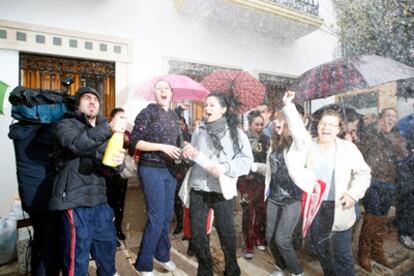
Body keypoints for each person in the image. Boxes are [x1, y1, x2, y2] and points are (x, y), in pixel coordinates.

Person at [282, 91, 371, 276]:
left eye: (332, 125)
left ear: (339, 129)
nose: (326, 128)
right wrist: (289, 107)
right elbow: (298, 132)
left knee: (342, 254)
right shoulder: (309, 145)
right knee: (320, 249)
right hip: (316, 208)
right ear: (317, 125)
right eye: (323, 123)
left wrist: (353, 194)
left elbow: (363, 173)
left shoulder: (347, 148)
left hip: (340, 207)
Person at [50, 87, 127, 276]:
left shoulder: (103, 130)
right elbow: (78, 145)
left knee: (108, 254)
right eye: (87, 98)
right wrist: (109, 128)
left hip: (100, 201)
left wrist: (118, 162)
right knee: (77, 261)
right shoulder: (65, 125)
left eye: (96, 99)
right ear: (78, 104)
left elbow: (111, 165)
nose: (93, 101)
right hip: (74, 201)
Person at [182, 92, 253, 276]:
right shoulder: (199, 130)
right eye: (206, 105)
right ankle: (205, 269)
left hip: (222, 189)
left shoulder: (236, 133)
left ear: (223, 109)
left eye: (212, 105)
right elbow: (194, 158)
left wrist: (225, 167)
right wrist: (187, 154)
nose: (207, 108)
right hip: (199, 187)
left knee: (226, 232)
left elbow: (246, 161)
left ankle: (232, 268)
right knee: (197, 234)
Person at [129, 79, 181, 276]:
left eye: (166, 88)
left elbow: (175, 142)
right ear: (154, 93)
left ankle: (163, 255)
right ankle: (143, 264)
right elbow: (134, 142)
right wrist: (161, 147)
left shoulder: (174, 116)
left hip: (169, 170)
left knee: (167, 217)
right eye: (159, 88)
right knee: (156, 217)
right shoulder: (147, 112)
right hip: (151, 168)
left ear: (171, 92)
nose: (163, 91)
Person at [358, 107, 409, 272]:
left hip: (390, 182)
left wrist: (389, 136)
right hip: (373, 181)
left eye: (394, 116)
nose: (391, 119)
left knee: (382, 218)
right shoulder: (372, 132)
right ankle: (363, 253)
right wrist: (376, 133)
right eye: (388, 115)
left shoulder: (397, 136)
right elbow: (361, 151)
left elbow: (404, 154)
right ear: (381, 117)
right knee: (371, 217)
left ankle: (377, 251)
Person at [260, 110, 305, 276]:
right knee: (270, 237)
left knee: (282, 239)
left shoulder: (297, 144)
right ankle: (280, 266)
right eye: (275, 119)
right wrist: (255, 166)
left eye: (282, 120)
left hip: (292, 199)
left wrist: (289, 107)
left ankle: (297, 271)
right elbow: (274, 170)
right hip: (274, 197)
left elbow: (301, 133)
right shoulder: (274, 143)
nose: (277, 122)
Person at [237, 110, 269, 259]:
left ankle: (258, 237)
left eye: (262, 124)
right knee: (248, 213)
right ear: (249, 125)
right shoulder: (241, 139)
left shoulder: (267, 139)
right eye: (256, 124)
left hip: (261, 180)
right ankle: (248, 244)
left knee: (261, 211)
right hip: (245, 181)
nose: (259, 127)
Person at [104, 107, 131, 244]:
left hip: (122, 174)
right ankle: (110, 233)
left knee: (120, 203)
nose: (123, 120)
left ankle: (118, 229)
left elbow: (132, 148)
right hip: (109, 174)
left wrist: (128, 142)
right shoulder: (106, 131)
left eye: (124, 117)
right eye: (120, 117)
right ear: (113, 119)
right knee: (110, 204)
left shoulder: (127, 133)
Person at [172, 117, 192, 235]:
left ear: (185, 125)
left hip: (187, 172)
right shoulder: (171, 137)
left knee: (188, 200)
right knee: (177, 201)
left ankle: (188, 227)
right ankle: (180, 223)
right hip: (175, 173)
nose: (179, 126)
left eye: (181, 123)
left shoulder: (189, 137)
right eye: (177, 123)